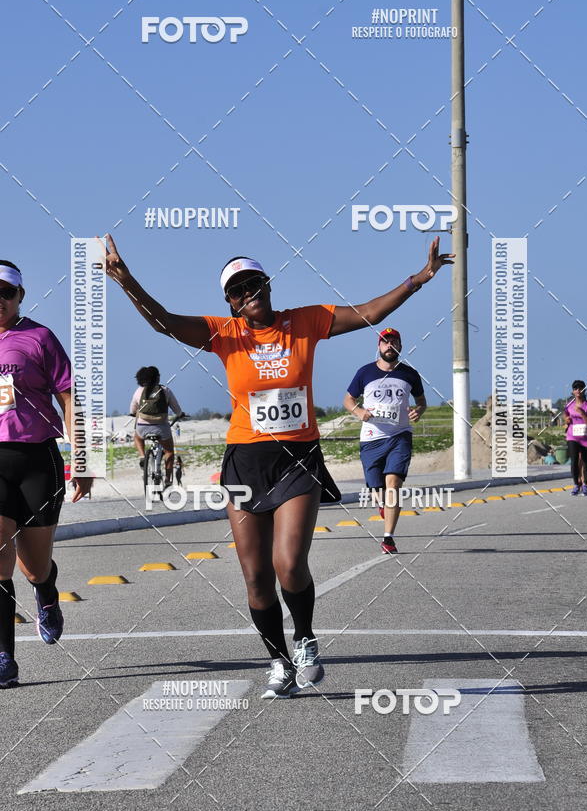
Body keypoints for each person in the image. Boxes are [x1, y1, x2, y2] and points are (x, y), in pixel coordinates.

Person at [102, 234, 452, 697]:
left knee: (288, 564)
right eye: (237, 290)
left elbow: (369, 312)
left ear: (268, 284)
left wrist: (419, 279)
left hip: (298, 460)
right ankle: (278, 660)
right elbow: (164, 322)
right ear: (229, 302)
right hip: (245, 463)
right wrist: (126, 281)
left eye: (254, 283)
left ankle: (304, 639)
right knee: (255, 578)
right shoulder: (224, 334)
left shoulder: (304, 322)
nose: (248, 293)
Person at [0, 260, 92, 688]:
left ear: (20, 296)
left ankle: (46, 592)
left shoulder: (40, 338)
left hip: (38, 459)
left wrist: (83, 460)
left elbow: (69, 397)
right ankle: (4, 657)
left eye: (6, 292)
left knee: (34, 566)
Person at [343, 327, 426, 554]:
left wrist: (418, 411)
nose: (390, 346)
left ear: (400, 346)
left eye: (394, 342)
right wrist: (359, 411)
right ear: (379, 346)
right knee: (376, 489)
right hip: (371, 439)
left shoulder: (409, 374)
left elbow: (421, 401)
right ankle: (382, 505)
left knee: (393, 485)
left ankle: (388, 538)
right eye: (385, 342)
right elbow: (348, 399)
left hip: (400, 436)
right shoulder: (365, 372)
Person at [130, 366, 184, 487]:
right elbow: (176, 409)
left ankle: (142, 456)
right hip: (161, 427)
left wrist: (134, 413)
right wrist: (180, 414)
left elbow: (132, 409)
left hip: (143, 426)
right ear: (157, 378)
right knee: (169, 452)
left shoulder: (139, 391)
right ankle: (168, 480)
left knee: (137, 437)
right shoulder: (165, 390)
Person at [564, 381, 587, 495]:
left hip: (585, 438)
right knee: (574, 462)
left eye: (580, 388)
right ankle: (576, 485)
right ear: (573, 391)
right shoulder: (569, 404)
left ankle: (585, 485)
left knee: (586, 462)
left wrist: (582, 413)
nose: (578, 390)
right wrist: (566, 420)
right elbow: (565, 415)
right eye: (575, 388)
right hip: (572, 436)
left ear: (584, 390)